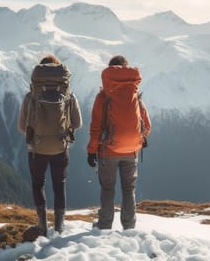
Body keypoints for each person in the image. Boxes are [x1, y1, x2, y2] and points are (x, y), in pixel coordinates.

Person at [18, 54, 82, 235]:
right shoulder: (69, 96)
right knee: (59, 185)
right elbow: (77, 123)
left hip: (36, 149)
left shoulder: (30, 96)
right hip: (61, 147)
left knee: (38, 184)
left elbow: (22, 127)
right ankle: (60, 226)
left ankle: (42, 225)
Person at [87, 55, 151, 230]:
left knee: (108, 189)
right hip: (131, 152)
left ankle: (105, 225)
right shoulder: (135, 95)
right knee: (129, 190)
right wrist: (139, 140)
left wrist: (92, 150)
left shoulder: (104, 96)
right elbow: (147, 125)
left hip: (108, 150)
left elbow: (96, 127)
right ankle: (129, 226)